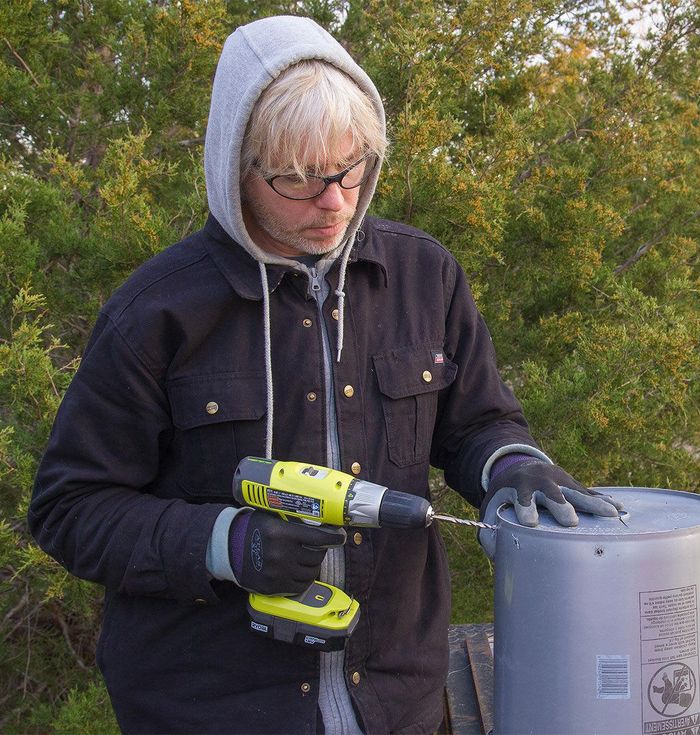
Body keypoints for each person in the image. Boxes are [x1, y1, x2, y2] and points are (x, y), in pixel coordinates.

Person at [28, 15, 623, 735]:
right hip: (210, 707)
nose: (336, 201)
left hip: (397, 701)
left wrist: (514, 462)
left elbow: (477, 421)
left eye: (350, 169)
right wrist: (225, 542)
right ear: (236, 165)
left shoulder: (421, 273)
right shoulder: (157, 311)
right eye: (300, 178)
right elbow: (71, 507)